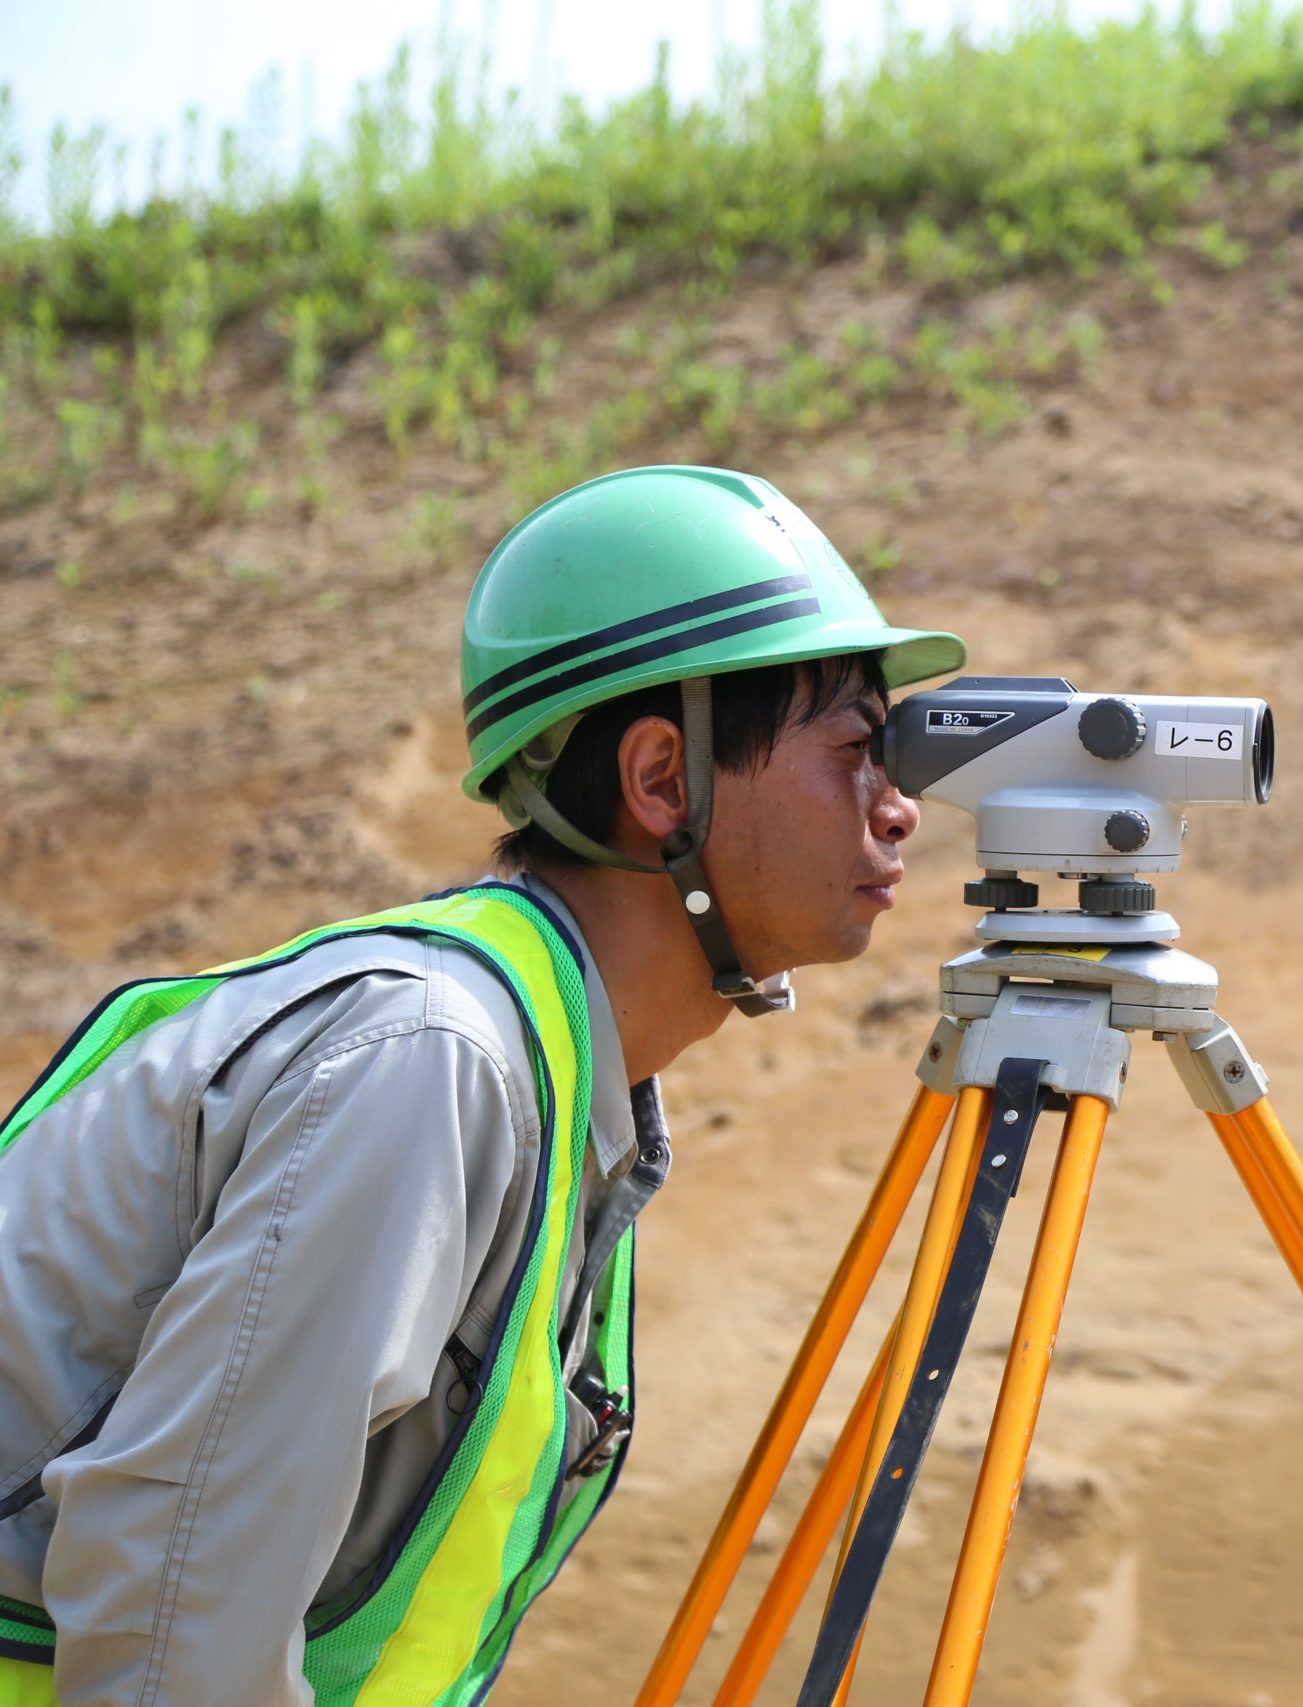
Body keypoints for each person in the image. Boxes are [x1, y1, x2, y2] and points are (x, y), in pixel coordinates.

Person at [0, 465, 966, 1706]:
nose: (898, 811)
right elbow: (174, 1605)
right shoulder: (429, 1060)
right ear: (663, 780)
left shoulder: (563, 1079)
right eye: (855, 749)